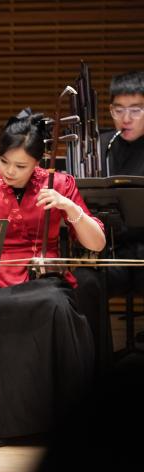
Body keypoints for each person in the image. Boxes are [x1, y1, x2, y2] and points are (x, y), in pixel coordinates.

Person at [0, 111, 106, 446]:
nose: (9, 172)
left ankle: (55, 420)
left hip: (44, 279)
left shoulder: (59, 184)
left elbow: (97, 243)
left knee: (54, 306)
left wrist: (70, 208)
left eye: (20, 167)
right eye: (4, 162)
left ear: (39, 162)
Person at [101, 71, 144, 354]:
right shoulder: (100, 146)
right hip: (110, 252)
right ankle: (96, 358)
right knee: (81, 282)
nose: (126, 118)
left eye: (136, 110)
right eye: (119, 110)